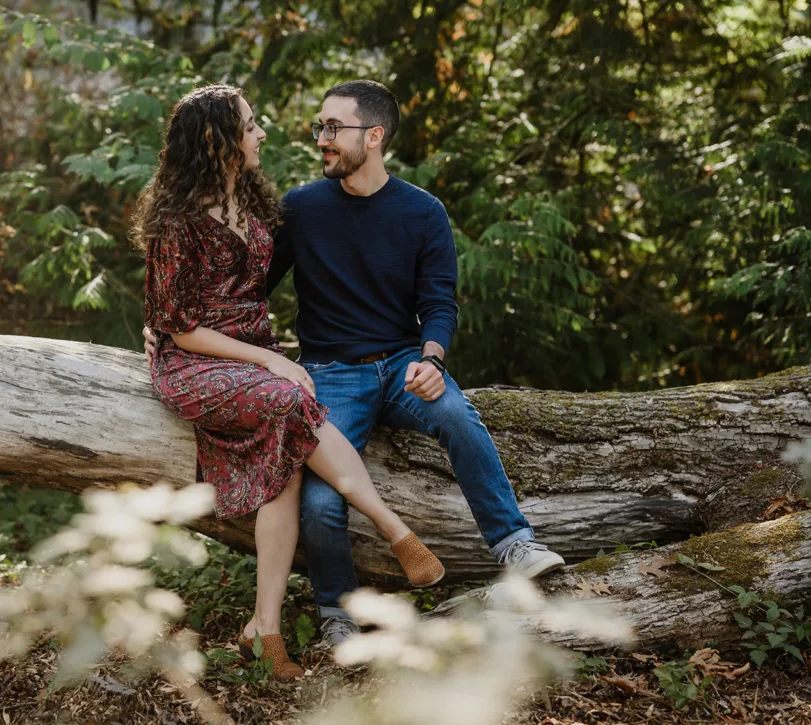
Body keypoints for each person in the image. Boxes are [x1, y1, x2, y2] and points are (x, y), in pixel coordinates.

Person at [144, 80, 564, 651]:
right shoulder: (301, 209)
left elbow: (439, 302)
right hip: (331, 372)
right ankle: (335, 612)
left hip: (404, 363)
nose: (321, 138)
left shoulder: (423, 211)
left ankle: (515, 543)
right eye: (320, 127)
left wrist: (432, 358)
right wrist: (167, 325)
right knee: (319, 501)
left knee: (459, 417)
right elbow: (240, 284)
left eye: (333, 128)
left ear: (374, 135)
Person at [136, 84, 445, 681]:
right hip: (196, 361)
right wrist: (265, 359)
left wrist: (269, 355)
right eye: (251, 125)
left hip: (253, 352)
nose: (262, 134)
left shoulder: (251, 199)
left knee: (287, 462)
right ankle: (393, 527)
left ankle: (265, 627)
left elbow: (264, 278)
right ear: (219, 140)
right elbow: (181, 325)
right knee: (289, 399)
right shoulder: (176, 221)